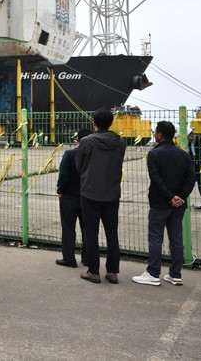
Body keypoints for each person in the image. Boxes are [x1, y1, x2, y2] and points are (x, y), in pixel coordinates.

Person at [133, 121, 196, 286]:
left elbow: (156, 179)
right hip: (179, 205)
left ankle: (153, 273)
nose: (154, 134)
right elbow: (191, 178)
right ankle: (175, 274)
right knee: (176, 238)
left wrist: (170, 197)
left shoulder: (154, 154)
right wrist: (180, 197)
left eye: (155, 132)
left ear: (160, 134)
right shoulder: (184, 154)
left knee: (155, 237)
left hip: (159, 203)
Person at [75, 108, 126, 285]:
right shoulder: (120, 142)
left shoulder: (87, 142)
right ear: (111, 122)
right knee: (112, 233)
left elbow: (79, 166)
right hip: (112, 194)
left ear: (94, 123)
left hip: (90, 193)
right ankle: (112, 272)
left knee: (91, 233)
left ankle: (93, 271)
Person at [55, 128, 91, 268]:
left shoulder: (69, 154)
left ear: (77, 140)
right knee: (87, 228)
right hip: (87, 197)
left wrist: (60, 190)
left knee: (68, 228)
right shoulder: (92, 156)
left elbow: (63, 174)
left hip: (69, 196)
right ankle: (87, 258)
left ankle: (69, 258)